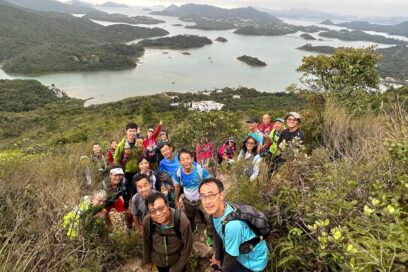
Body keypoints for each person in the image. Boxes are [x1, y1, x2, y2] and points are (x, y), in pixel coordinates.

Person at [199, 178, 269, 272]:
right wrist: (217, 257)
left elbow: (231, 256)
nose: (207, 201)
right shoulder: (218, 211)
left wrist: (222, 270)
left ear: (221, 195)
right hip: (242, 250)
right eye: (203, 196)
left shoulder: (232, 226)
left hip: (253, 263)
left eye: (211, 195)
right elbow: (217, 233)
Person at [143, 192, 193, 272]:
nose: (158, 214)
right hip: (158, 261)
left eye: (161, 208)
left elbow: (187, 245)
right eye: (153, 211)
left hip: (176, 260)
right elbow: (146, 242)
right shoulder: (148, 221)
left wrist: (178, 267)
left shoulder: (181, 220)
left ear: (167, 205)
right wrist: (147, 261)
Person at [173, 149, 211, 235]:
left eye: (188, 158)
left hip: (202, 200)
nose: (186, 161)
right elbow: (177, 186)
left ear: (192, 158)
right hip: (187, 200)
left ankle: (210, 233)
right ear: (179, 162)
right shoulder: (178, 172)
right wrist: (176, 200)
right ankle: (193, 228)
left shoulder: (200, 170)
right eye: (182, 159)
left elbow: (210, 183)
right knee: (189, 216)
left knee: (209, 217)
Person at [114, 122, 143, 187]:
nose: (132, 133)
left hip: (138, 171)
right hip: (125, 173)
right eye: (130, 131)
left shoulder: (139, 144)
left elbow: (142, 157)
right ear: (126, 131)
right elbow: (116, 161)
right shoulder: (120, 146)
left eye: (134, 131)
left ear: (136, 132)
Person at [158, 142, 180, 207]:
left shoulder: (179, 157)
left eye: (166, 149)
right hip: (173, 183)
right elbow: (162, 176)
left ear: (170, 148)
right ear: (161, 153)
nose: (165, 152)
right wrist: (166, 185)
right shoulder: (162, 163)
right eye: (163, 151)